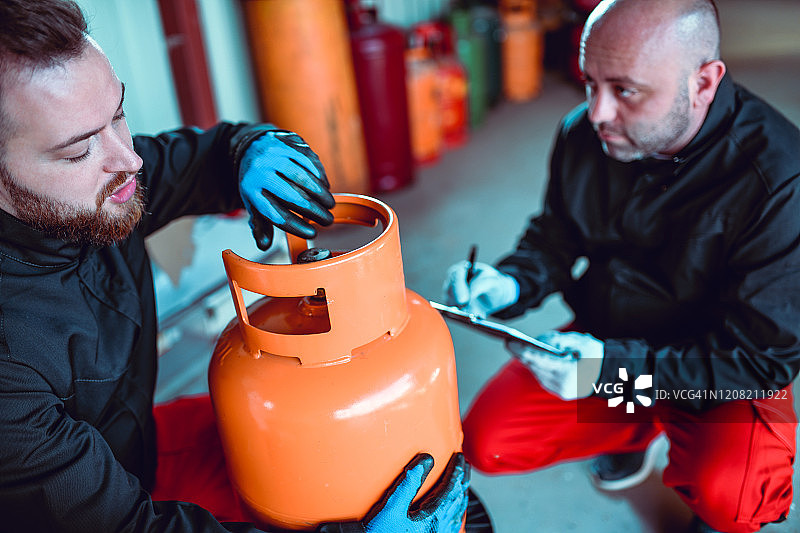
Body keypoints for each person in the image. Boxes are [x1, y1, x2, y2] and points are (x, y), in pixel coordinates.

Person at [0, 0, 470, 531]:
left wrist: (250, 149)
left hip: (138, 445)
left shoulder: (96, 185)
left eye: (118, 115)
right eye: (78, 152)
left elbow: (199, 158)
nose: (127, 159)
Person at [443, 0, 800, 532]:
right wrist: (509, 281)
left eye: (625, 90)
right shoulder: (582, 134)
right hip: (614, 344)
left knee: (732, 494)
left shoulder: (781, 181)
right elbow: (557, 235)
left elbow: (759, 362)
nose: (597, 112)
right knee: (488, 441)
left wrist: (609, 371)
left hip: (719, 373)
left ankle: (703, 494)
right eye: (590, 83)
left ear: (703, 82)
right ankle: (633, 431)